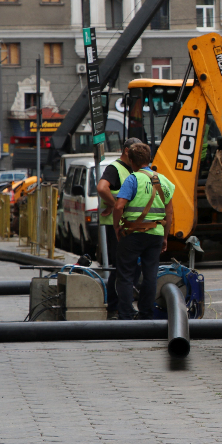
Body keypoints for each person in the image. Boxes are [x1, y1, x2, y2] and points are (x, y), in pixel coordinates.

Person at [112, 143, 174, 320]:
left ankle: (125, 313)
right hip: (155, 235)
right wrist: (165, 236)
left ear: (131, 161)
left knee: (125, 275)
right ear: (149, 159)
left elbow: (119, 205)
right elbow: (169, 212)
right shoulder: (164, 181)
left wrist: (117, 226)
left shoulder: (132, 179)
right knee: (150, 275)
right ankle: (146, 313)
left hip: (132, 235)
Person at [96, 137, 142, 319]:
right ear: (125, 150)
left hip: (126, 226)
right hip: (114, 227)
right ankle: (115, 307)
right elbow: (102, 188)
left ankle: (121, 306)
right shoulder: (115, 169)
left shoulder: (132, 169)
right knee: (120, 268)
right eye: (134, 151)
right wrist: (116, 205)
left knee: (127, 268)